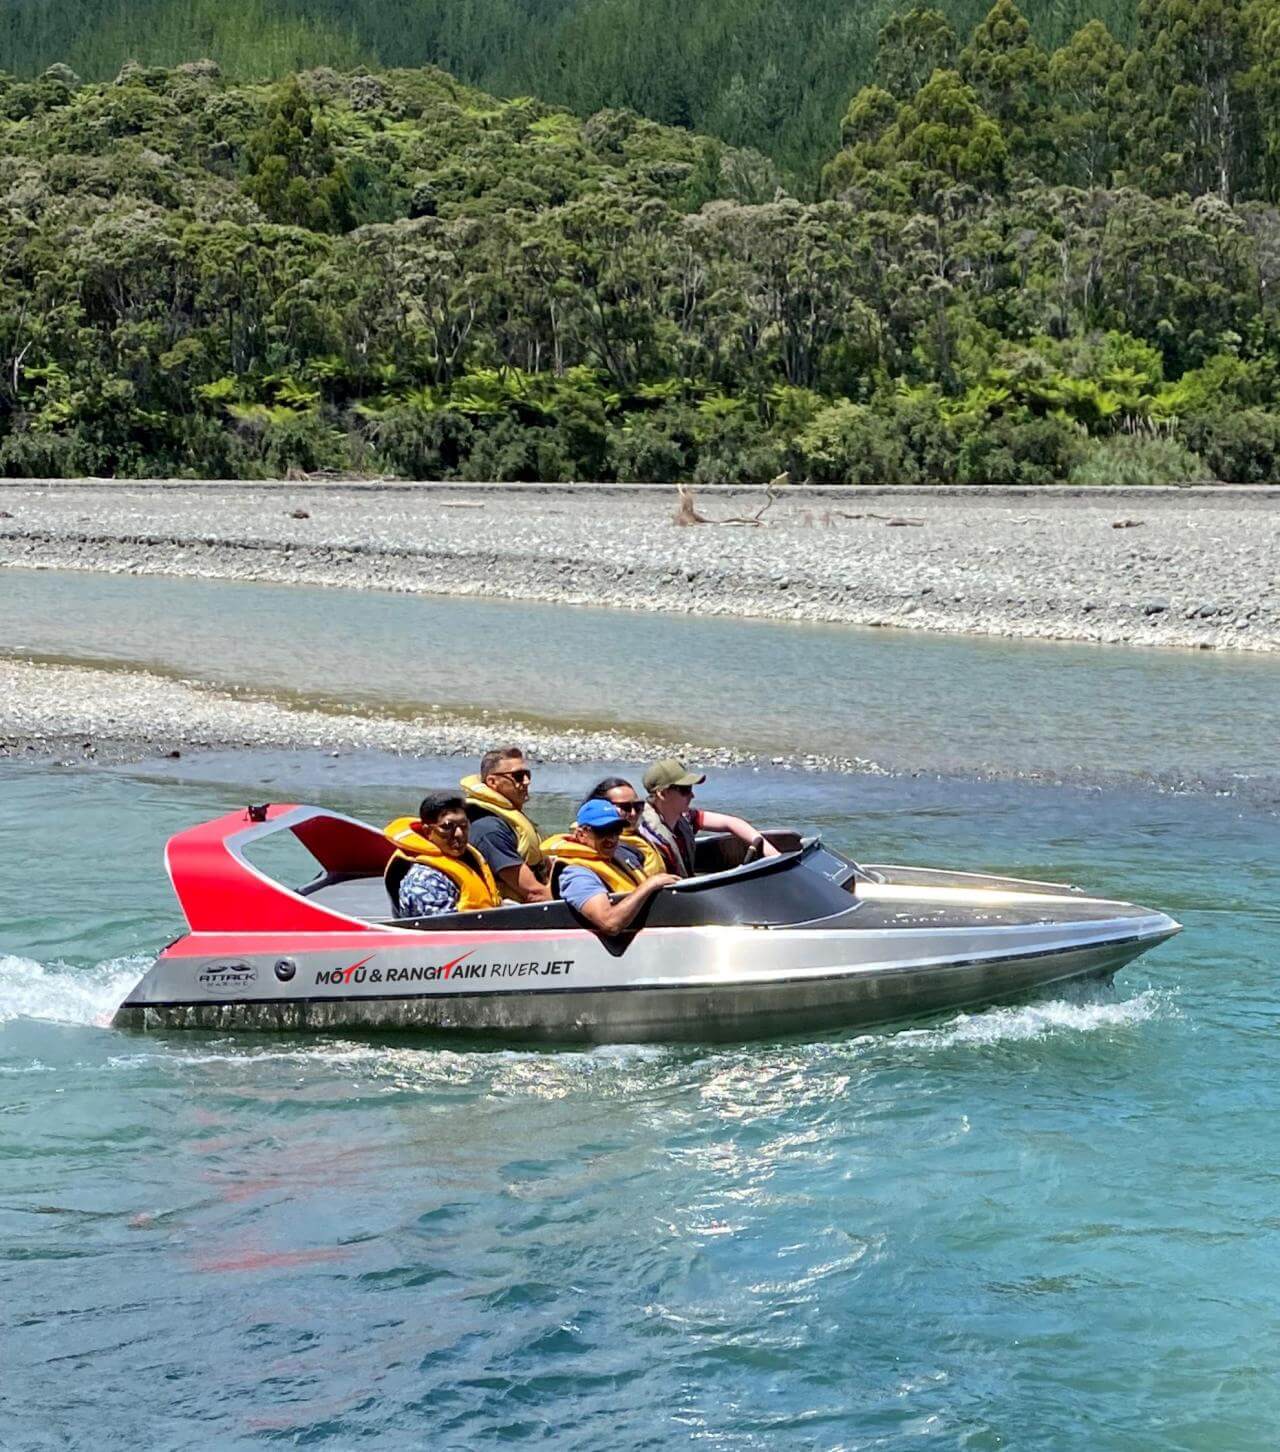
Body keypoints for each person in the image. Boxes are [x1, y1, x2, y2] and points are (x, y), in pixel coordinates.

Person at [543, 799, 679, 935]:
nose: (612, 839)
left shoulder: (619, 856)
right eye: (603, 831)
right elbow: (609, 923)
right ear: (581, 834)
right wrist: (649, 885)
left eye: (616, 830)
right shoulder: (576, 874)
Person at [639, 758, 780, 877]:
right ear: (662, 794)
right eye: (685, 790)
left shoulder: (684, 818)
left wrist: (775, 857)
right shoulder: (645, 838)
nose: (692, 795)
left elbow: (731, 823)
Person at [384, 791, 502, 918]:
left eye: (464, 826)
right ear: (428, 831)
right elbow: (440, 925)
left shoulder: (470, 859)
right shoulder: (424, 878)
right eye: (447, 827)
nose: (459, 834)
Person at [460, 746, 551, 903]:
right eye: (518, 776)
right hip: (510, 908)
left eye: (527, 775)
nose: (527, 781)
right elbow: (534, 894)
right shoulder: (489, 830)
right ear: (492, 782)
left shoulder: (508, 819)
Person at [579, 776, 665, 877]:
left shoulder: (640, 836)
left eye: (638, 806)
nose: (633, 813)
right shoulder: (606, 846)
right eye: (625, 807)